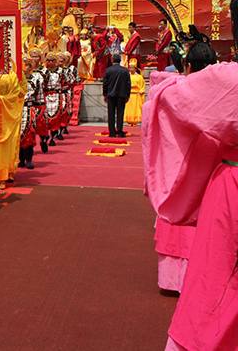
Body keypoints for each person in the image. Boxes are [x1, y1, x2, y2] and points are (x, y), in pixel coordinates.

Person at [142, 30, 232, 351]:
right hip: (223, 175)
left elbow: (162, 110)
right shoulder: (223, 81)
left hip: (217, 182)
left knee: (216, 266)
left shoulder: (206, 85)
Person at [0, 62, 27, 186]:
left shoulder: (14, 73)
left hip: (8, 114)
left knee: (7, 146)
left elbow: (20, 92)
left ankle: (5, 173)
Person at [18, 56, 46, 169]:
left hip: (29, 108)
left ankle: (29, 159)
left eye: (28, 65)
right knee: (17, 136)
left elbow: (39, 95)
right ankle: (21, 159)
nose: (25, 68)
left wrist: (40, 110)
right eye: (23, 65)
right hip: (17, 109)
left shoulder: (36, 78)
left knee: (29, 134)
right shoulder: (15, 78)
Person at [101, 53, 131, 137]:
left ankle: (112, 132)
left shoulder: (108, 70)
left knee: (111, 113)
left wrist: (105, 94)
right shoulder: (125, 70)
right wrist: (128, 95)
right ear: (120, 60)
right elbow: (128, 84)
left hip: (110, 94)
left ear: (112, 60)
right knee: (120, 113)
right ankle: (120, 130)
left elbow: (105, 83)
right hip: (121, 94)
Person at [41, 52, 64, 146]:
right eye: (48, 60)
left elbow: (67, 81)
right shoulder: (43, 71)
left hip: (56, 95)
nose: (50, 62)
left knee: (55, 117)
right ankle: (45, 136)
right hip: (46, 95)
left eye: (53, 60)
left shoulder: (61, 71)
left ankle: (53, 137)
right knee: (45, 118)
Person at [124, 59, 145, 126]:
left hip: (136, 95)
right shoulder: (127, 76)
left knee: (135, 108)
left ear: (136, 69)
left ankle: (135, 121)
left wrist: (141, 91)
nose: (131, 69)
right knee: (129, 108)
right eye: (130, 68)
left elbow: (142, 85)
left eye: (133, 68)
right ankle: (129, 121)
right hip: (129, 94)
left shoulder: (139, 77)